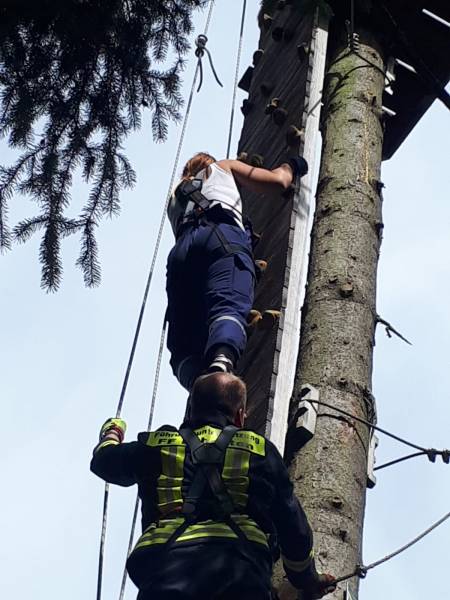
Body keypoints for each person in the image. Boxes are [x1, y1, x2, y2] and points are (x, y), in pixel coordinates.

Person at [91, 372, 335, 600]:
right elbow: (293, 525)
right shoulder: (260, 451)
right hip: (241, 572)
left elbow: (104, 461)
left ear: (189, 411)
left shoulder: (156, 445)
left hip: (163, 573)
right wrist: (306, 580)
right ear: (240, 415)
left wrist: (112, 432)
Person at [166, 152, 308, 390]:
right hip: (220, 234)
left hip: (181, 252)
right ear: (209, 163)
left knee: (185, 328)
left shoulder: (175, 198)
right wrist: (293, 165)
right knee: (228, 301)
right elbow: (278, 181)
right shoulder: (222, 167)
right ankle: (221, 363)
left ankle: (196, 387)